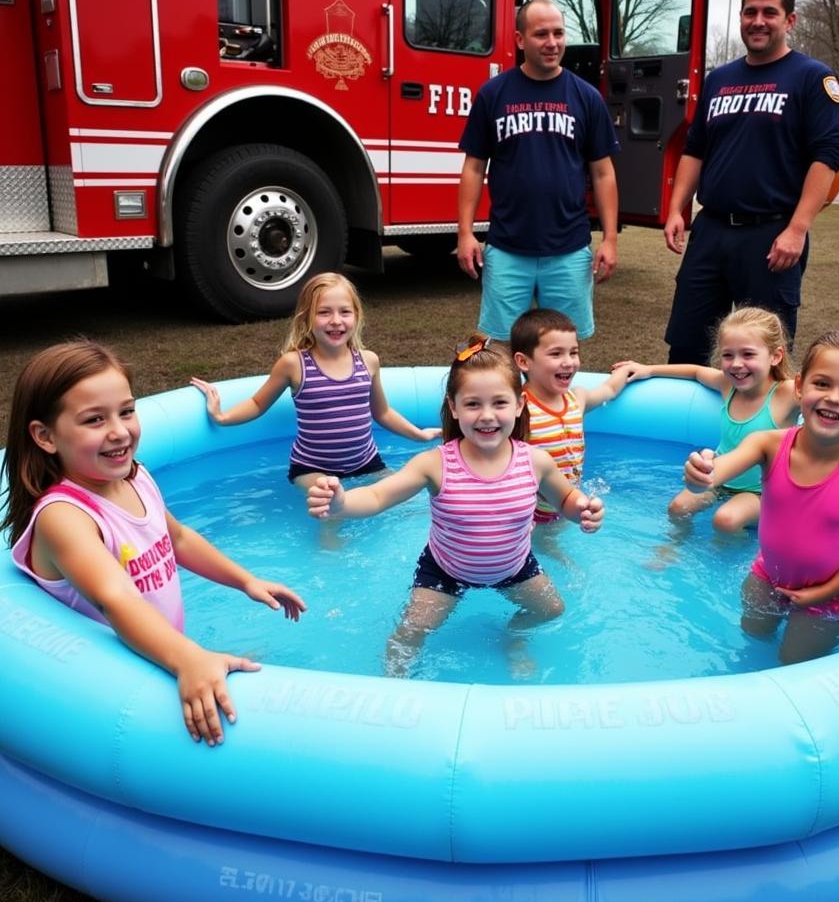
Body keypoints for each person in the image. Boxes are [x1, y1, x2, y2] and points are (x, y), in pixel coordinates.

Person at [1, 341, 306, 746]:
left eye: (126, 411)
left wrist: (245, 581)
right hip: (111, 683)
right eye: (94, 420)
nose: (120, 431)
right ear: (45, 436)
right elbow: (117, 598)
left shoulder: (134, 477)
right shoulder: (65, 515)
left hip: (152, 647)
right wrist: (188, 659)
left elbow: (177, 537)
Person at [306, 335, 603, 677]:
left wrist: (581, 509)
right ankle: (394, 684)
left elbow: (564, 497)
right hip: (446, 570)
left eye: (499, 403)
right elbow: (377, 496)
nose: (487, 415)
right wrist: (340, 502)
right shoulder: (435, 464)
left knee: (551, 610)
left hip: (514, 566)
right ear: (454, 405)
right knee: (411, 633)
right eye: (473, 404)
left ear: (520, 404)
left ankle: (512, 638)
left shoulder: (535, 461)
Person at [616, 307, 839, 533]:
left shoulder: (787, 392)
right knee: (677, 507)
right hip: (721, 478)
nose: (736, 364)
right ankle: (675, 548)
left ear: (775, 355)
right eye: (728, 355)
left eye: (747, 355)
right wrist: (648, 369)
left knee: (725, 521)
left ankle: (729, 561)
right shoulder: (728, 386)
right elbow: (695, 372)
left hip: (763, 492)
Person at [683, 330, 839, 665]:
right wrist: (700, 474)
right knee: (750, 647)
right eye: (822, 384)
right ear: (799, 387)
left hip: (832, 596)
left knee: (792, 666)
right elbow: (720, 469)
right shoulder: (768, 443)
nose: (834, 398)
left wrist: (830, 589)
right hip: (767, 577)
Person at [663, 0, 839, 366]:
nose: (758, 21)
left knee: (764, 357)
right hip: (710, 230)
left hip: (772, 237)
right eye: (750, 12)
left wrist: (796, 230)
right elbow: (695, 149)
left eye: (769, 12)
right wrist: (678, 208)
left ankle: (760, 429)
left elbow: (828, 157)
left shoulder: (812, 77)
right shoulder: (720, 79)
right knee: (686, 346)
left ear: (790, 20)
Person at [457, 0, 620, 340]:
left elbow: (603, 173)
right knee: (499, 348)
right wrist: (465, 232)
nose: (552, 43)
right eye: (541, 34)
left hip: (570, 250)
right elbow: (474, 167)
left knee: (563, 351)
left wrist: (609, 238)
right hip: (506, 248)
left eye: (559, 33)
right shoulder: (493, 94)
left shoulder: (587, 97)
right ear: (520, 40)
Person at [191, 273, 440, 494]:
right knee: (328, 501)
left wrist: (418, 435)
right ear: (307, 318)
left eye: (344, 311)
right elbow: (257, 403)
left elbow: (382, 412)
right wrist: (222, 417)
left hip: (365, 461)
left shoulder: (368, 361)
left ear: (356, 315)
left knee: (404, 497)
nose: (335, 320)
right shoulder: (294, 364)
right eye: (324, 312)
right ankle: (331, 545)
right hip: (312, 468)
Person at [509, 307, 630, 524]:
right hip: (529, 515)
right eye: (556, 354)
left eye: (573, 352)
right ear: (524, 361)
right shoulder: (519, 409)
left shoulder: (577, 399)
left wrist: (625, 370)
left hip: (567, 504)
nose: (569, 362)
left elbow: (609, 390)